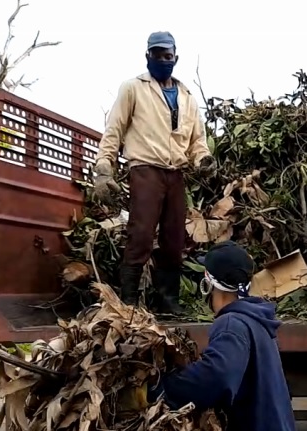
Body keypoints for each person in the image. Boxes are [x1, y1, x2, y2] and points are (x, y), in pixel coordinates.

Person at [156, 241, 299, 431]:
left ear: (208, 284)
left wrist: (161, 387)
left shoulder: (232, 323)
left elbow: (215, 378)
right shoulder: (254, 319)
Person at [91, 30, 215, 314]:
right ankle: (130, 300)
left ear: (176, 58)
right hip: (146, 169)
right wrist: (103, 168)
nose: (162, 59)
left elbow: (197, 140)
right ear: (147, 56)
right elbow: (114, 130)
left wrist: (204, 159)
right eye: (156, 55)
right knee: (142, 234)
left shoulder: (187, 97)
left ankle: (168, 301)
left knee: (174, 240)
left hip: (176, 174)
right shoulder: (133, 88)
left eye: (167, 55)